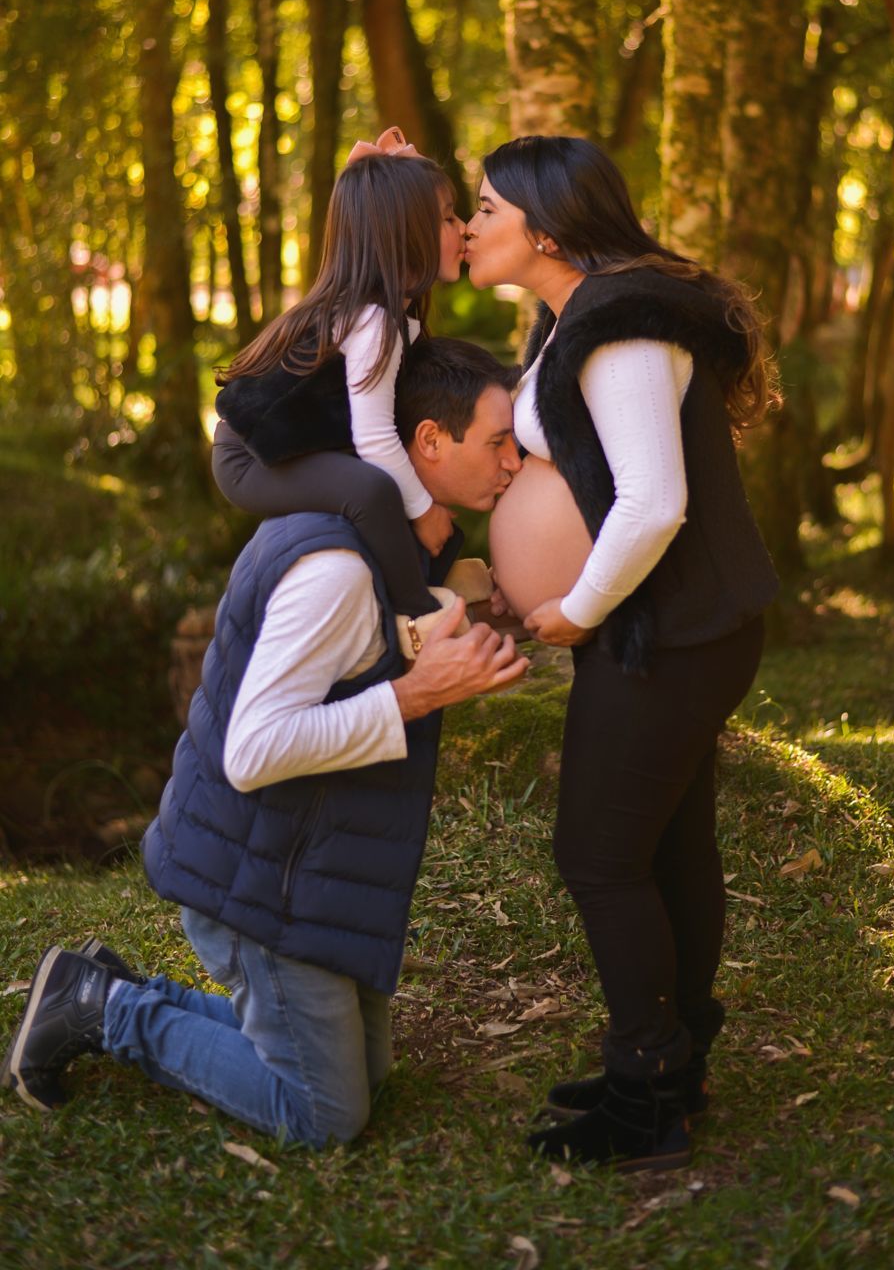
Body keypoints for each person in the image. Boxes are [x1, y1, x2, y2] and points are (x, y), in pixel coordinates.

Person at [2, 339, 527, 1149]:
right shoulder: (337, 570)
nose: (515, 462)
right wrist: (417, 693)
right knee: (325, 1112)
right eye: (498, 442)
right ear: (429, 441)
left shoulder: (389, 551)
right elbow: (255, 749)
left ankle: (98, 983)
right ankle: (104, 1010)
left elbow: (371, 651)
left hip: (306, 869)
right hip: (258, 885)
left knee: (367, 1073)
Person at [464, 135, 780, 1173]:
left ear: (547, 228)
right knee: (667, 843)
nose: (472, 225)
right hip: (670, 629)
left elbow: (654, 501)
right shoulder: (576, 316)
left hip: (670, 634)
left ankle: (648, 1088)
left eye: (487, 207)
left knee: (597, 855)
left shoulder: (624, 328)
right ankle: (674, 1063)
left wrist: (574, 608)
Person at [212, 127, 469, 655]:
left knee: (398, 483)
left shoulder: (385, 311)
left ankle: (439, 578)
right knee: (372, 491)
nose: (463, 229)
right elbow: (374, 440)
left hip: (292, 445)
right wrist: (423, 510)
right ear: (406, 230)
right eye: (448, 217)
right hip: (248, 459)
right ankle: (415, 614)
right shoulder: (372, 319)